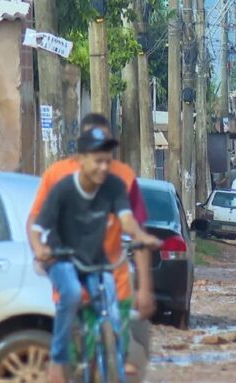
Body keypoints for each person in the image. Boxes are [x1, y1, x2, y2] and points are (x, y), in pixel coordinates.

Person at [28, 127, 161, 383]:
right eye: (98, 160)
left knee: (113, 303)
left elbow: (126, 219)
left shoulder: (112, 187)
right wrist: (41, 249)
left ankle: (114, 361)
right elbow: (36, 227)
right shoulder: (64, 189)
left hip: (94, 260)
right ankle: (58, 361)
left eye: (107, 161)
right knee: (73, 293)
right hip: (63, 257)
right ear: (81, 160)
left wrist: (140, 237)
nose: (103, 167)